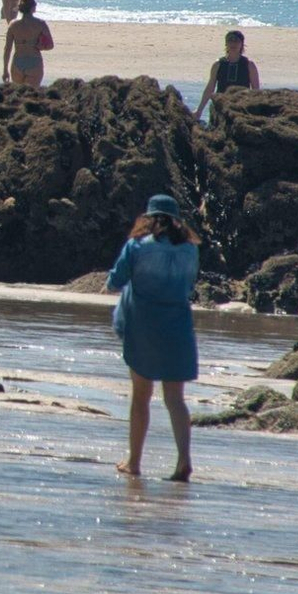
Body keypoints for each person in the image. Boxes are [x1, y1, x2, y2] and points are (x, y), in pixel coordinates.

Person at [108, 194, 199, 483]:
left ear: (149, 218)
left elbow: (116, 280)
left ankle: (134, 462)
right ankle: (184, 459)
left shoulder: (136, 246)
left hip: (143, 326)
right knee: (175, 399)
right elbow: (190, 284)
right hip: (178, 326)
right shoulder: (190, 250)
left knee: (141, 396)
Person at [193, 30, 260, 121]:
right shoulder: (218, 64)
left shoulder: (249, 65)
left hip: (241, 109)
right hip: (220, 107)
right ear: (226, 44)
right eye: (230, 40)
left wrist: (256, 113)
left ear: (241, 44)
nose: (233, 43)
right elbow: (210, 88)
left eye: (236, 41)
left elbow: (256, 91)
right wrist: (199, 110)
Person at [2, 0, 52, 86]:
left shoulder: (13, 24)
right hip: (34, 61)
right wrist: (40, 46)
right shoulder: (40, 24)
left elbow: (7, 49)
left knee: (18, 96)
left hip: (17, 62)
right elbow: (50, 45)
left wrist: (5, 70)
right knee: (32, 96)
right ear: (33, 8)